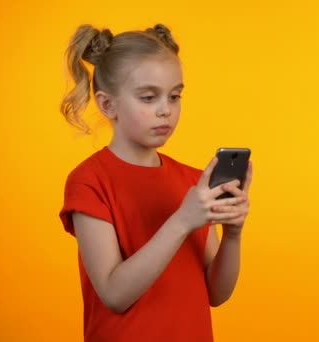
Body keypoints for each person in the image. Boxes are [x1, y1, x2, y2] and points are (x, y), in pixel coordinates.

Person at [58, 23, 252, 342]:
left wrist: (233, 233)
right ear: (108, 105)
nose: (166, 110)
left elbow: (217, 294)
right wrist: (182, 221)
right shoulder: (89, 181)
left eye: (175, 96)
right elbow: (114, 293)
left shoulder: (192, 182)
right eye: (149, 97)